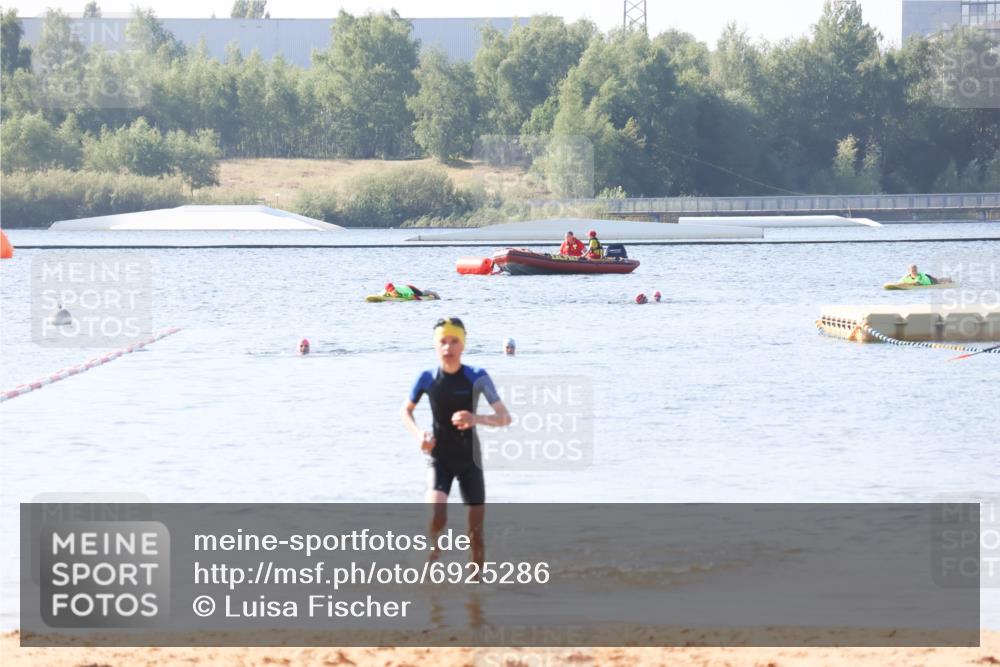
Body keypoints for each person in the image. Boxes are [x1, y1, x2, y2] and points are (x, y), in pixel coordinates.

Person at [401, 317, 511, 568]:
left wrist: (476, 418)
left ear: (463, 345)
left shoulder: (477, 376)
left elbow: (504, 417)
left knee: (474, 534)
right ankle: (433, 556)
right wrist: (420, 435)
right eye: (443, 342)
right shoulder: (426, 378)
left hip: (469, 460)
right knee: (437, 515)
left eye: (454, 342)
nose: (448, 348)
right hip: (439, 458)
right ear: (435, 346)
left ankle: (476, 592)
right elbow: (405, 411)